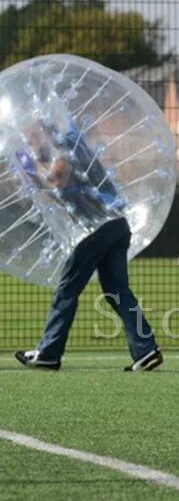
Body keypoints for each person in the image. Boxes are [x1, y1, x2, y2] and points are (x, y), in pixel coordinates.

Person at [14, 119, 162, 372]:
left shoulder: (62, 150)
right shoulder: (72, 146)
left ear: (44, 133)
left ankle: (49, 352)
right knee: (117, 290)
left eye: (32, 137)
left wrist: (31, 170)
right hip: (116, 224)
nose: (30, 144)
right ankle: (146, 349)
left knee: (67, 290)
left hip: (97, 229)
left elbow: (57, 182)